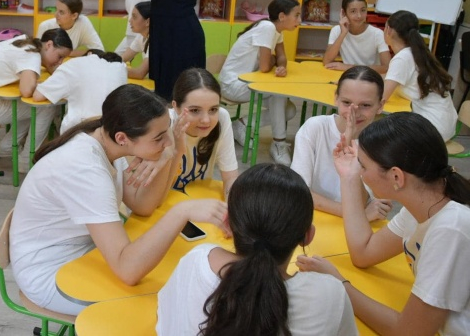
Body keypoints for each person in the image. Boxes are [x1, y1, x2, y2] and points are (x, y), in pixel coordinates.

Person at [9, 85, 227, 315]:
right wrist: (182, 211)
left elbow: (143, 205)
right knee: (169, 302)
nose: (167, 141)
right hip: (50, 275)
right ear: (122, 138)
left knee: (171, 276)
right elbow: (127, 270)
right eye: (159, 138)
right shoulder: (86, 170)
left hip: (83, 251)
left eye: (167, 132)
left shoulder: (108, 141)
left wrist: (171, 152)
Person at [297, 112, 470, 336]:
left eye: (363, 167)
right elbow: (364, 252)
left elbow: (407, 333)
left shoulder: (451, 228)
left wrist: (340, 284)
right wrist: (349, 177)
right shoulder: (425, 204)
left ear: (396, 177)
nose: (361, 173)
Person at [157, 163, 358, 336]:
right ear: (307, 236)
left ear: (227, 224)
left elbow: (165, 321)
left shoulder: (198, 262)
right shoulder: (330, 295)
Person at [292, 66, 392, 220]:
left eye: (365, 105)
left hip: (354, 225)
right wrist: (358, 214)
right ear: (336, 98)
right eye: (346, 102)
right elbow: (298, 192)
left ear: (380, 105)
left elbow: (365, 203)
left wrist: (352, 160)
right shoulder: (315, 128)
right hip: (312, 218)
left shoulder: (383, 144)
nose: (354, 112)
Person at [0, 29, 72, 156]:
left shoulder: (26, 44)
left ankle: (7, 148)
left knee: (30, 107)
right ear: (49, 45)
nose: (60, 62)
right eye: (60, 56)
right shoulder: (31, 56)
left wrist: (46, 71)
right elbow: (26, 91)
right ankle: (27, 158)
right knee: (46, 108)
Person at [219, 0, 301, 165]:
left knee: (290, 110)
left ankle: (241, 125)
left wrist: (281, 66)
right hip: (232, 84)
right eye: (297, 15)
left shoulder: (276, 31)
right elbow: (265, 67)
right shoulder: (267, 28)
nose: (299, 20)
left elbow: (282, 57)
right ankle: (278, 144)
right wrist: (273, 61)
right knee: (277, 94)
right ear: (282, 16)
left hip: (250, 82)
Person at [383, 10, 457, 141]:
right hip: (446, 125)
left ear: (389, 30)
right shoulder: (418, 53)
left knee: (380, 130)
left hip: (432, 128)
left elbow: (382, 98)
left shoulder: (402, 58)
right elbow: (393, 78)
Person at [170, 67, 239, 198]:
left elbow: (230, 177)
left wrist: (232, 204)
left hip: (198, 198)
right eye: (195, 110)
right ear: (175, 107)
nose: (206, 120)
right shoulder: (164, 125)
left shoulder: (222, 118)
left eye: (213, 109)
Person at [32, 49, 127, 134]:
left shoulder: (76, 64)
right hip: (114, 131)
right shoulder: (121, 67)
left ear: (89, 54)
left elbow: (38, 96)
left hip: (81, 131)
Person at [323, 0, 390, 73]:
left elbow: (386, 67)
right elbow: (327, 61)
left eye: (363, 10)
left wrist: (349, 67)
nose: (359, 16)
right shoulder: (336, 30)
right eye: (353, 11)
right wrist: (343, 34)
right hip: (350, 76)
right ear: (344, 13)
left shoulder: (377, 34)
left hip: (370, 76)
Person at [36, 0, 104, 57]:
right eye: (56, 9)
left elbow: (99, 51)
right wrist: (86, 52)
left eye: (61, 12)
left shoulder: (83, 23)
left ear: (74, 16)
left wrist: (67, 53)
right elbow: (37, 54)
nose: (55, 15)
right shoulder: (45, 26)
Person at [121, 1, 151, 79]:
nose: (130, 20)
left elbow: (139, 73)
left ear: (148, 22)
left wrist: (112, 69)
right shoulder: (141, 36)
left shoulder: (156, 41)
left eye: (134, 17)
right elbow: (122, 58)